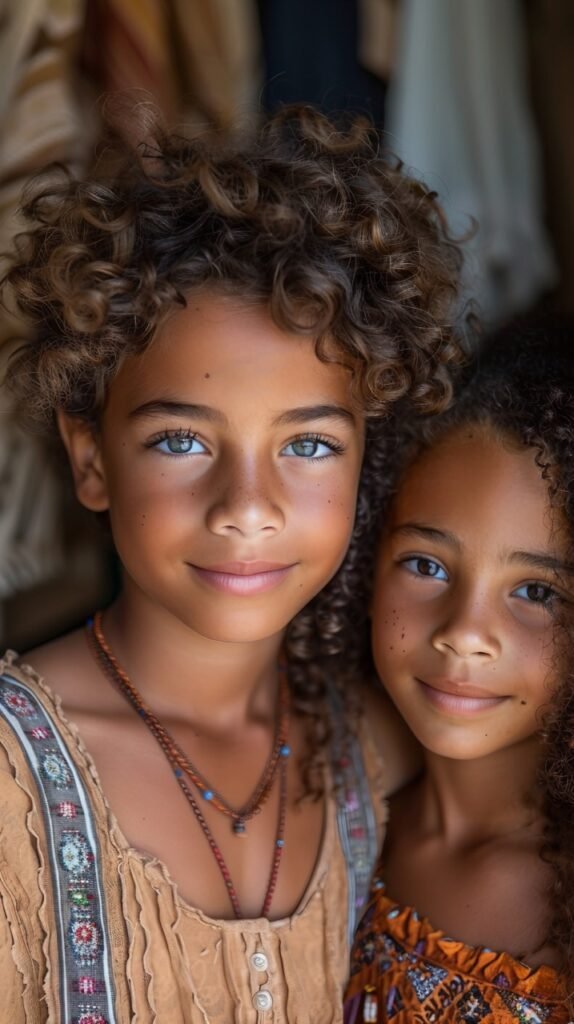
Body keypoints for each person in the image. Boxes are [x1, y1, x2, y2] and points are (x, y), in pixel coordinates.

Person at [0, 106, 463, 1023]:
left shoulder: (385, 750)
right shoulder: (10, 784)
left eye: (311, 446)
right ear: (92, 458)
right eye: (180, 439)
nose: (248, 506)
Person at [340, 331, 574, 1022]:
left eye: (538, 592)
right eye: (427, 566)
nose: (466, 634)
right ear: (362, 564)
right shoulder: (337, 824)